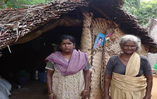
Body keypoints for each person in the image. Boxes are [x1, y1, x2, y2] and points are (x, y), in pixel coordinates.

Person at [103, 35, 153, 99]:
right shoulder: (113, 59)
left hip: (137, 94)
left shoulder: (143, 60)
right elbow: (107, 78)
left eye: (132, 46)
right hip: (117, 93)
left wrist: (148, 95)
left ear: (136, 47)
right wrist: (106, 95)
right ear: (121, 46)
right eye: (126, 45)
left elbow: (149, 79)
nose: (129, 48)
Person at [45, 35, 91, 99]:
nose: (66, 46)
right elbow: (48, 75)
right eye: (63, 44)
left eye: (69, 43)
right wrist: (50, 92)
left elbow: (87, 72)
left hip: (78, 91)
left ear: (74, 45)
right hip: (60, 91)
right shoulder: (53, 58)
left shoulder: (82, 57)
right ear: (60, 46)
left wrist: (86, 89)